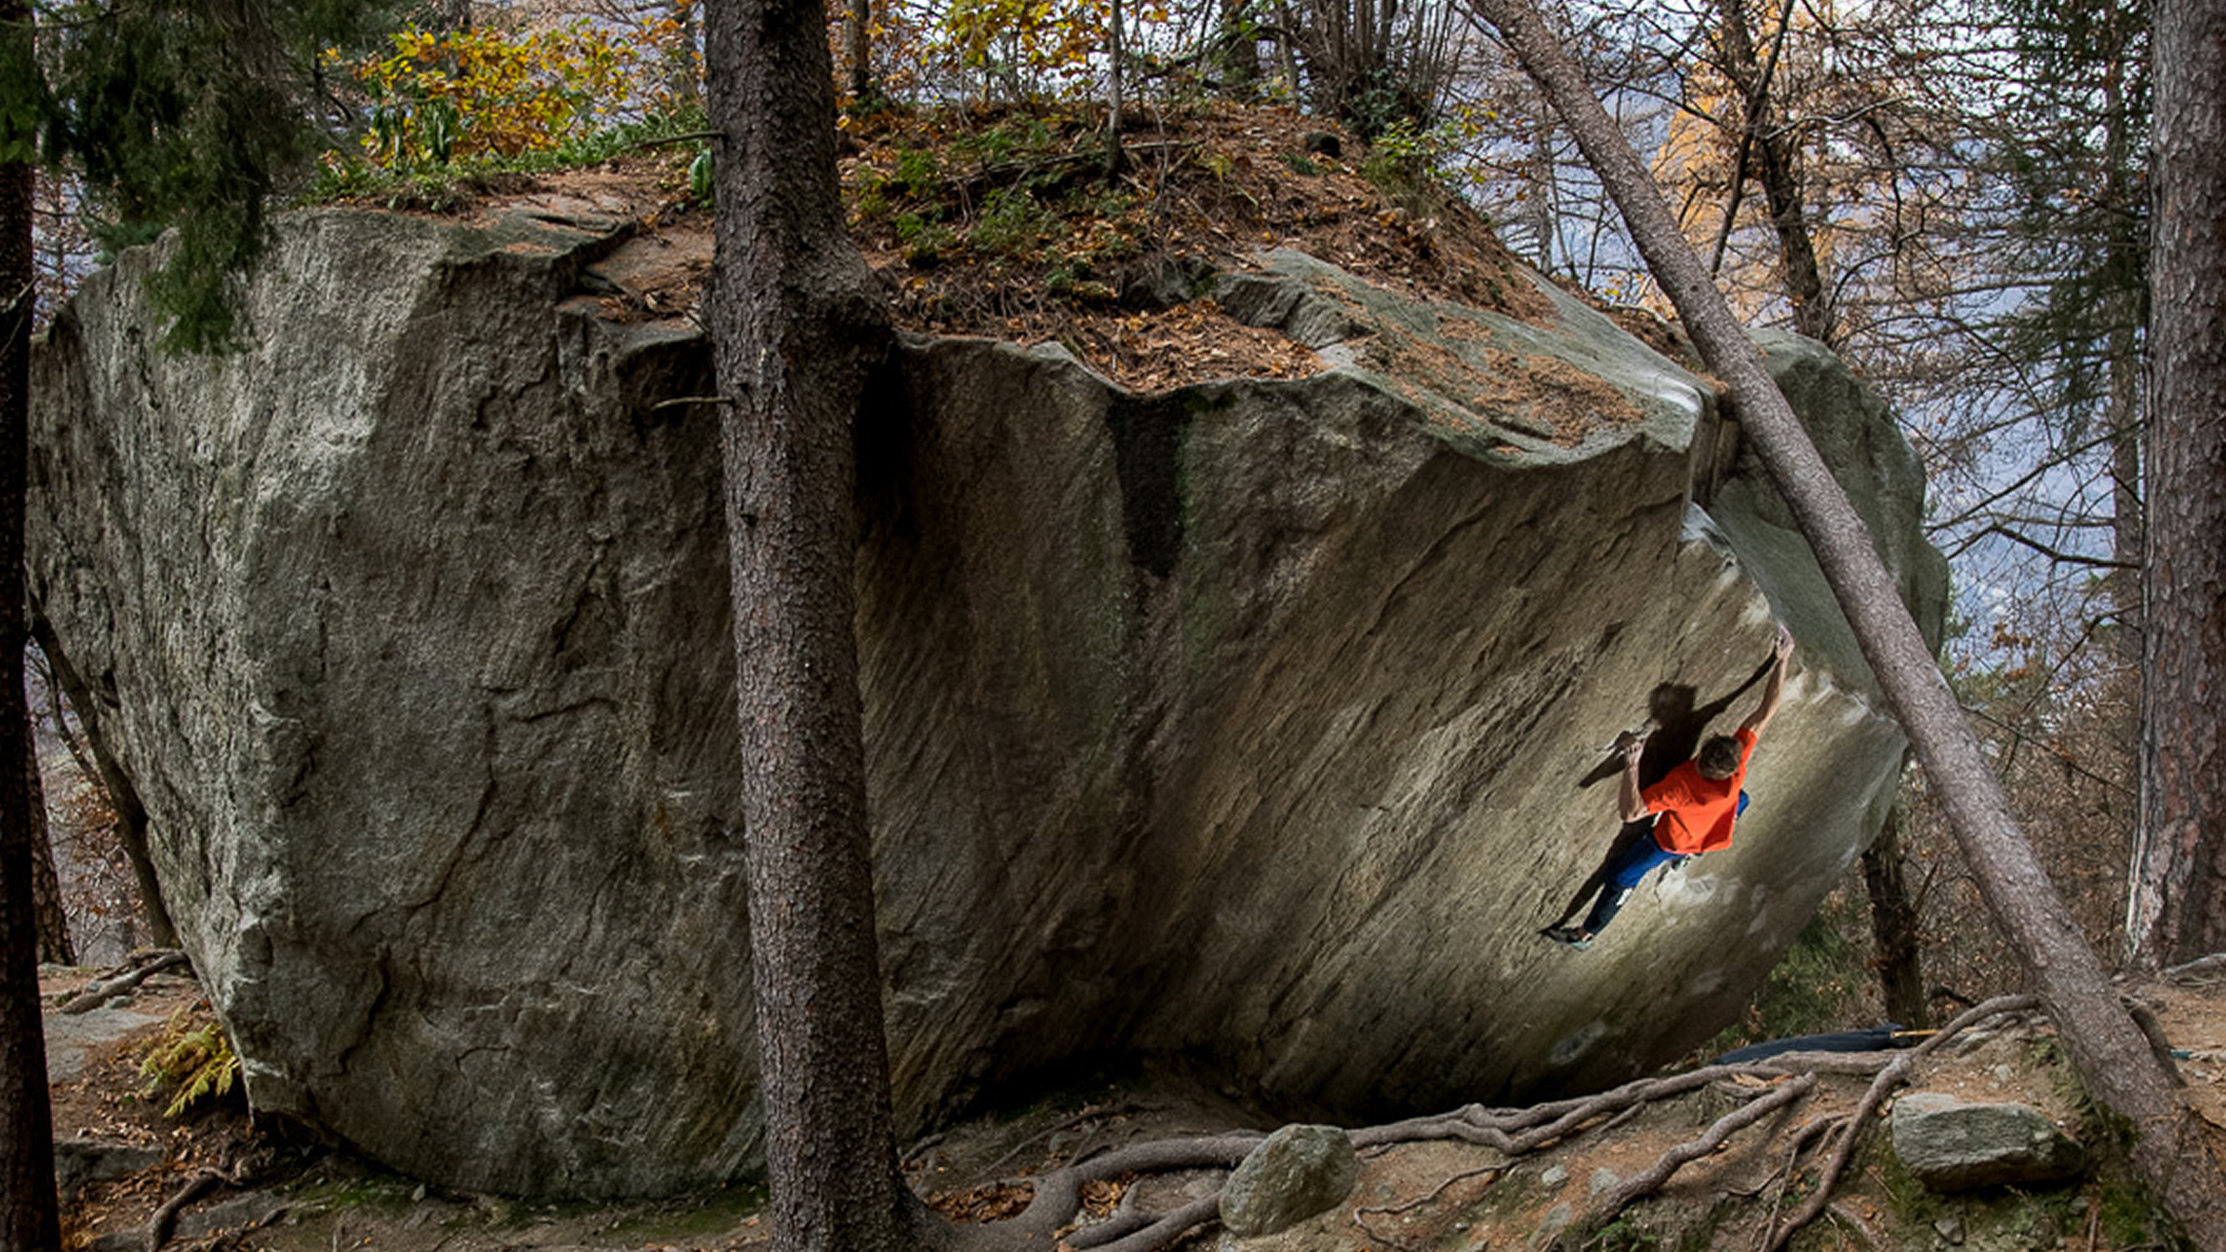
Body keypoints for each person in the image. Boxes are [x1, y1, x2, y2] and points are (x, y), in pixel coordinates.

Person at [1548, 626, 1795, 950]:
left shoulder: (1681, 788)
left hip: (1672, 840)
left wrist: (1633, 763)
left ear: (1703, 754)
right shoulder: (1736, 767)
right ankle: (1696, 851)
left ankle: (1586, 935)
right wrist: (1782, 661)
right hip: (1717, 820)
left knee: (1621, 876)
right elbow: (1767, 711)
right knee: (1742, 798)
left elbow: (1632, 812)